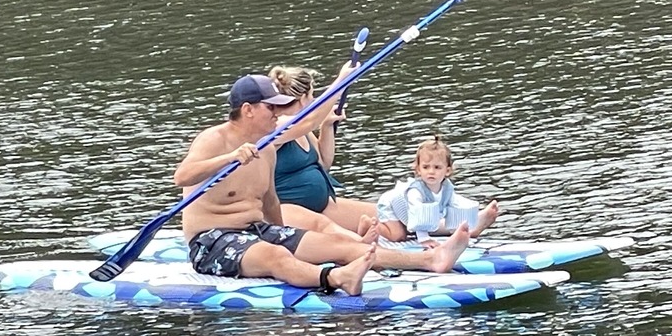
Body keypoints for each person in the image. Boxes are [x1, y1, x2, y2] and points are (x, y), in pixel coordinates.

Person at [174, 73, 470, 296]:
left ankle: (430, 260)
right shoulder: (214, 139)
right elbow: (182, 177)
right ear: (248, 110)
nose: (277, 113)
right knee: (276, 256)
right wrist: (228, 158)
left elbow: (271, 203)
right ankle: (336, 278)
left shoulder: (266, 148)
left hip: (258, 230)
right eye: (271, 107)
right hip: (212, 241)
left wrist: (285, 235)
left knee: (339, 244)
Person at [266, 65, 381, 240]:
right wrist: (341, 81)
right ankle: (359, 242)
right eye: (312, 95)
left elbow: (323, 162)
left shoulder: (302, 129)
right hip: (288, 210)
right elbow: (309, 121)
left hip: (323, 205)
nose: (313, 100)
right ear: (302, 98)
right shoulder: (276, 126)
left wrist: (326, 125)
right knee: (337, 233)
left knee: (386, 213)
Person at [375, 135, 500, 245]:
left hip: (410, 216)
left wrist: (467, 223)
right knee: (398, 236)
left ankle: (474, 225)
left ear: (447, 171)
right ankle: (371, 225)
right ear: (418, 170)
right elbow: (418, 213)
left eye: (437, 167)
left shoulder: (446, 188)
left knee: (436, 223)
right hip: (391, 207)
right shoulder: (416, 191)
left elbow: (456, 205)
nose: (431, 172)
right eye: (426, 167)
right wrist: (424, 238)